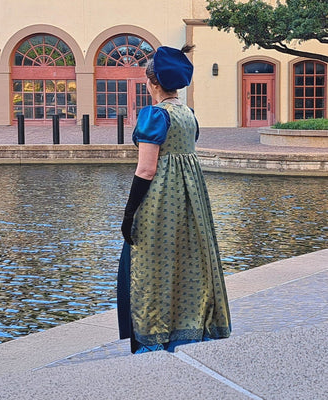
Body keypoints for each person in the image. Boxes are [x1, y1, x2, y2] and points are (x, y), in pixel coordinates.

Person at [117, 45, 231, 354]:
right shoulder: (188, 115)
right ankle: (189, 331)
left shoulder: (154, 114)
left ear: (152, 82)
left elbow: (146, 168)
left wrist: (129, 214)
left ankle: (153, 339)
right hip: (191, 201)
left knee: (150, 266)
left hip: (159, 202)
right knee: (187, 264)